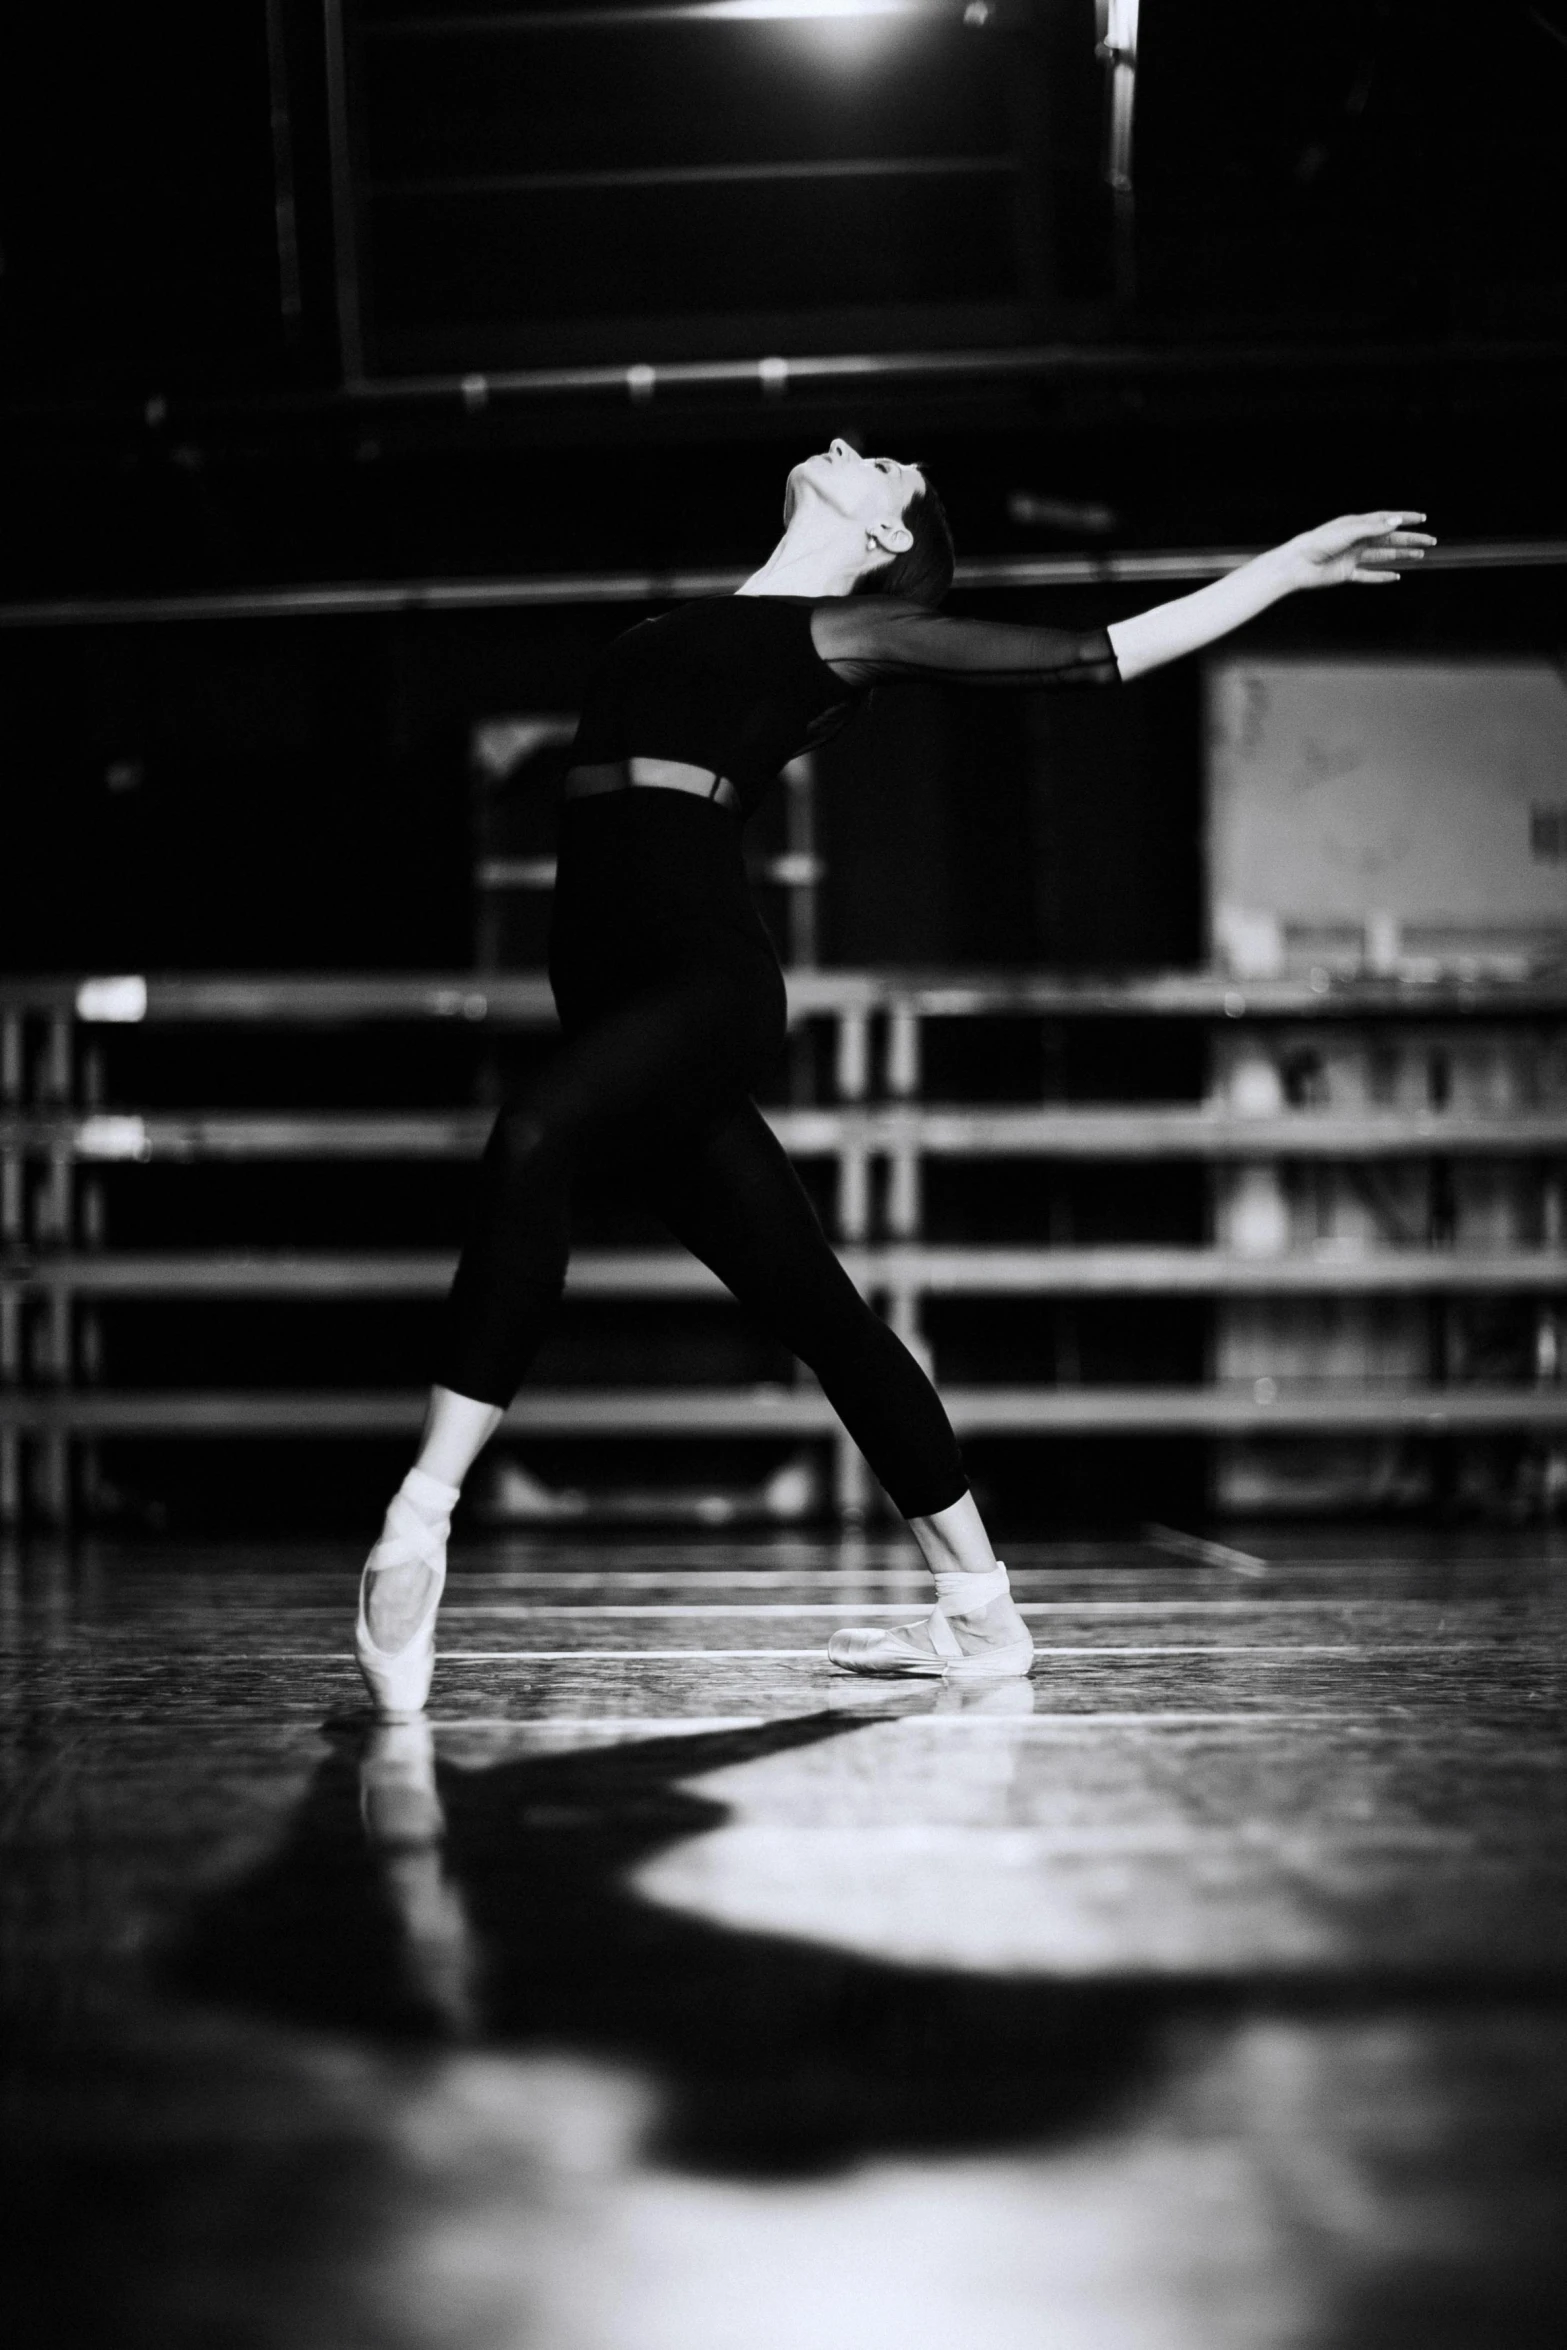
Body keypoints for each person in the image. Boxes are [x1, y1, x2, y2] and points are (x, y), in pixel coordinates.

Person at [353, 440, 1433, 1715]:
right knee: (822, 1311)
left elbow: (1098, 653)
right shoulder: (693, 627)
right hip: (613, 1002)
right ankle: (981, 1613)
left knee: (533, 1138)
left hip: (704, 992)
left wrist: (1287, 570)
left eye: (887, 470)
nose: (866, 452)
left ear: (881, 542)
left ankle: (416, 1528)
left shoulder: (842, 640)